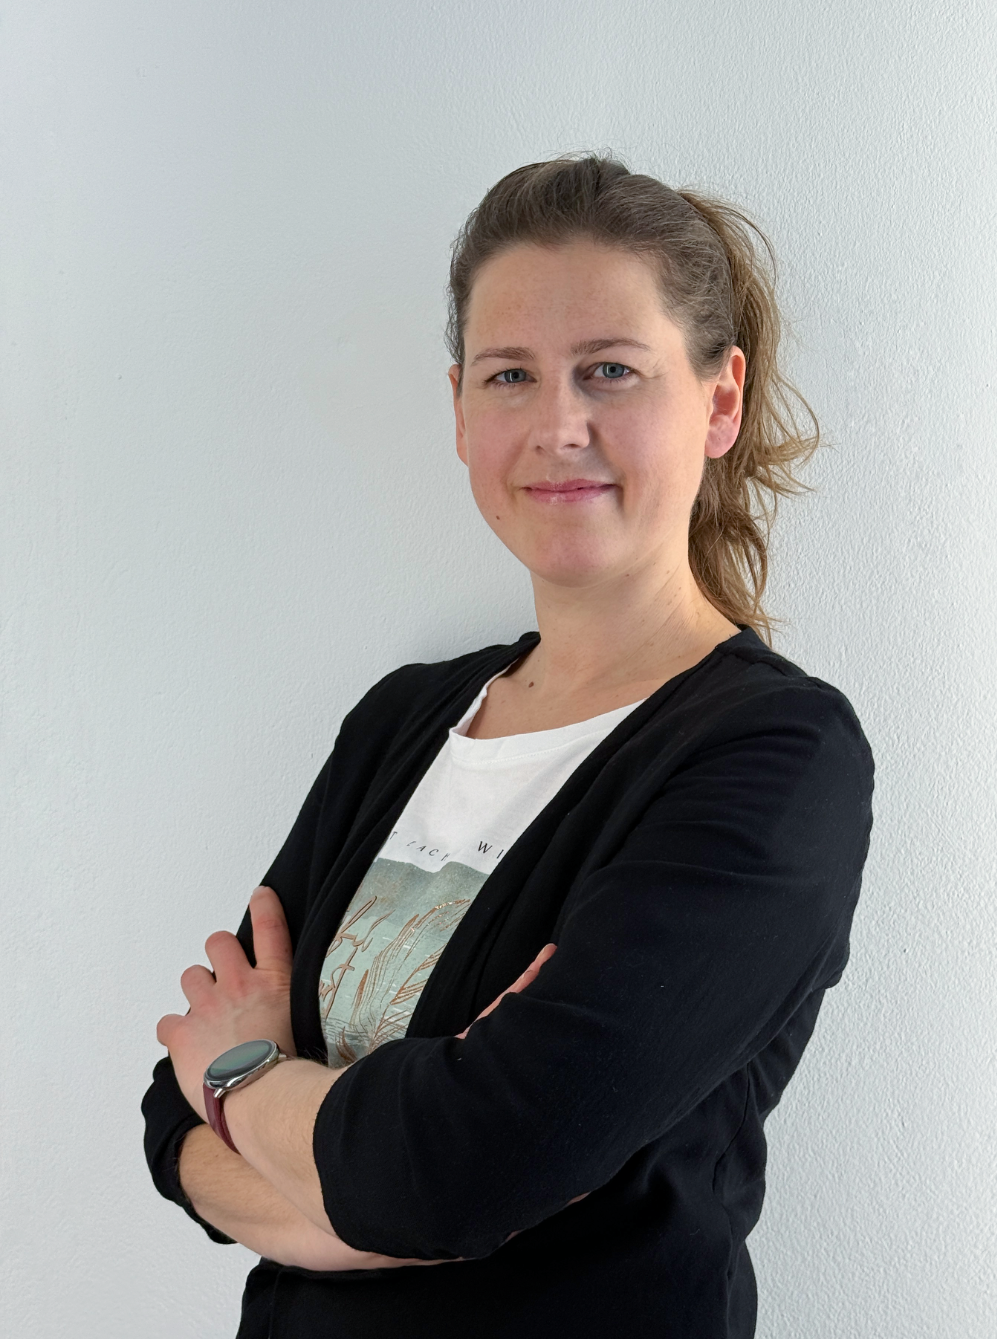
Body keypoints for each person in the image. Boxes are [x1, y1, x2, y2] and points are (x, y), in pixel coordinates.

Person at [142, 154, 874, 1338]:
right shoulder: (400, 721)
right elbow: (168, 1119)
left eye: (609, 371)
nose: (556, 425)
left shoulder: (774, 758)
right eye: (509, 375)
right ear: (459, 410)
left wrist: (248, 1078)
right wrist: (359, 1192)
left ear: (718, 401)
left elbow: (458, 1168)